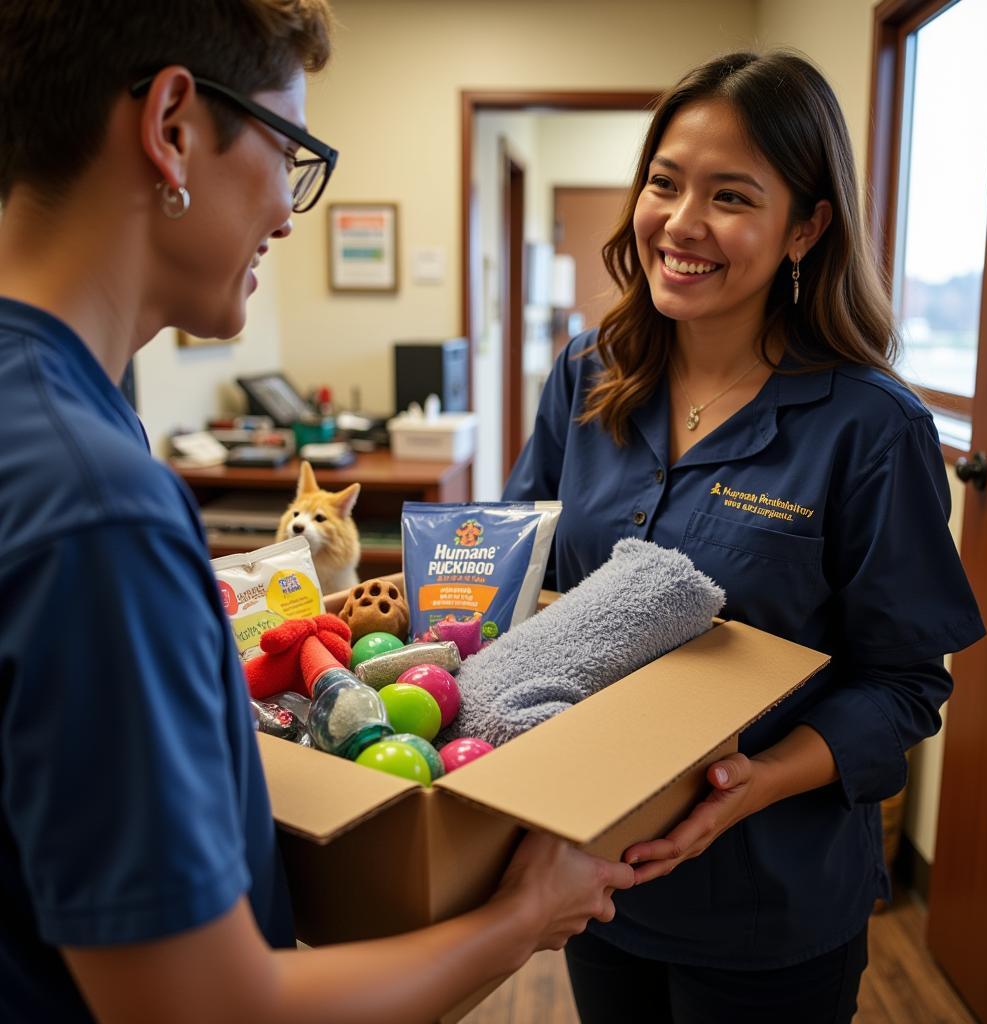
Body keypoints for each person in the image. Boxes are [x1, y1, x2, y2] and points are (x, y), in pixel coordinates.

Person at [0, 3, 635, 1022]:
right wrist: (524, 914)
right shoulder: (97, 509)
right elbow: (204, 1009)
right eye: (290, 149)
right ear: (171, 127)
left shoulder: (75, 423)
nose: (292, 214)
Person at [504, 50, 985, 1023]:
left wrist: (753, 782)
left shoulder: (868, 425)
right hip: (595, 877)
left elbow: (902, 684)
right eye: (663, 183)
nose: (681, 225)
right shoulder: (586, 374)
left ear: (805, 226)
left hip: (772, 901)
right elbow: (522, 576)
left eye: (730, 196)